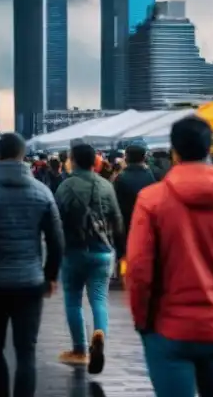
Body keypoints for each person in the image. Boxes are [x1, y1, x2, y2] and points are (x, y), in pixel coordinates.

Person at [126, 116, 213, 397]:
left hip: (168, 327)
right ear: (210, 148)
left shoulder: (151, 200)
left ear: (174, 150)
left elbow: (139, 269)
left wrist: (143, 320)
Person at [0, 133, 64, 397]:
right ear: (22, 155)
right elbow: (56, 240)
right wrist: (50, 276)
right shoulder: (42, 192)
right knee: (26, 351)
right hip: (30, 282)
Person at [54, 143, 123, 373]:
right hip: (102, 252)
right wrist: (120, 250)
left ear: (72, 160)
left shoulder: (65, 186)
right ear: (95, 162)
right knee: (99, 299)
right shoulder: (105, 185)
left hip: (73, 252)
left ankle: (80, 349)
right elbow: (117, 220)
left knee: (73, 300)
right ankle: (99, 333)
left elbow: (55, 222)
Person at [113, 141, 155, 257]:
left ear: (126, 158)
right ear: (144, 158)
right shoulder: (150, 175)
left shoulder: (121, 178)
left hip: (128, 226)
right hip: (148, 223)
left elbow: (116, 205)